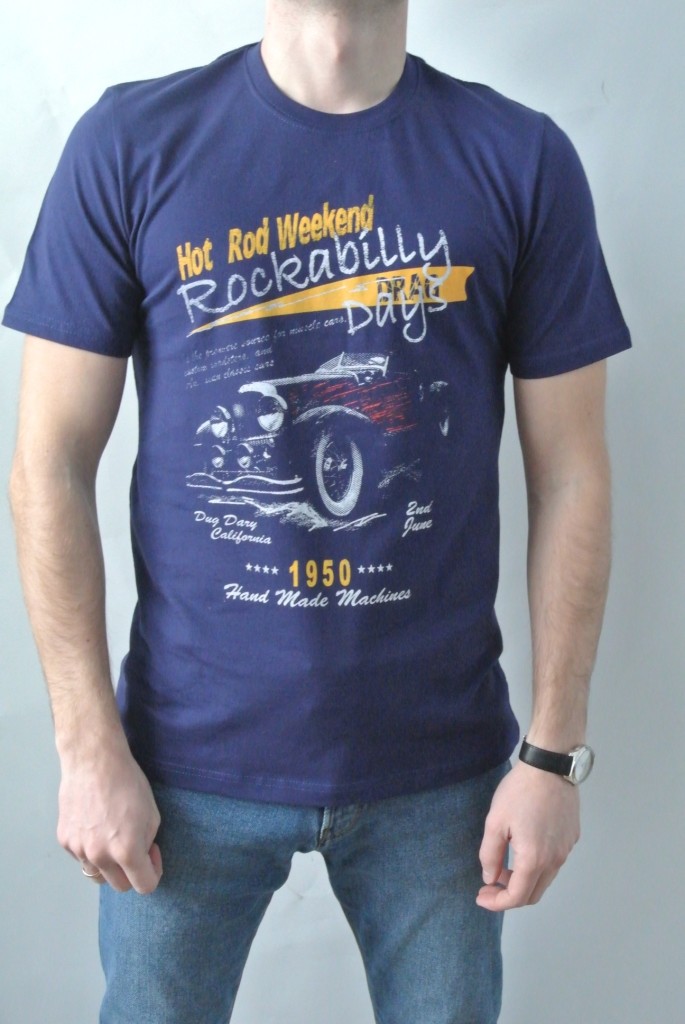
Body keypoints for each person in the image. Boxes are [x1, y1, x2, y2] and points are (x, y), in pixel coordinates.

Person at [5, 1, 631, 1021]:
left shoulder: (519, 157)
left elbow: (571, 473)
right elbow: (48, 463)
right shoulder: (130, 143)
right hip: (177, 764)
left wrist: (553, 756)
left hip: (441, 769)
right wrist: (86, 751)